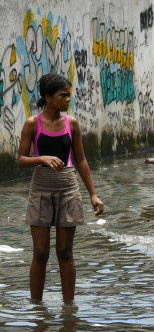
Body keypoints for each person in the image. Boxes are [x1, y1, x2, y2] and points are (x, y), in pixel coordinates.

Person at [16, 73, 104, 303]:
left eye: (68, 95)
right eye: (62, 95)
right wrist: (41, 158)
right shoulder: (32, 124)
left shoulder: (71, 123)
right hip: (41, 188)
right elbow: (20, 159)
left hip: (68, 187)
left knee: (65, 252)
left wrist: (93, 194)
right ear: (47, 97)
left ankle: (68, 309)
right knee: (41, 253)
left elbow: (81, 160)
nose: (67, 99)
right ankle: (37, 308)